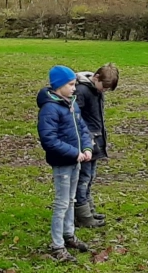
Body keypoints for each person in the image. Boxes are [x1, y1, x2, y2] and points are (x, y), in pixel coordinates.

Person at [36, 65, 93, 260]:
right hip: (63, 163)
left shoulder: (72, 103)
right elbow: (48, 140)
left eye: (75, 84)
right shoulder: (50, 109)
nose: (74, 88)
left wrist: (86, 148)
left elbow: (83, 129)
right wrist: (73, 153)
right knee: (61, 203)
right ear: (59, 85)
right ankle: (57, 245)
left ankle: (69, 234)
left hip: (76, 160)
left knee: (71, 200)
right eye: (70, 84)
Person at [75, 63, 121, 225]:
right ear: (95, 78)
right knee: (84, 178)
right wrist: (85, 138)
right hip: (86, 142)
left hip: (96, 140)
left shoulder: (96, 90)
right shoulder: (82, 91)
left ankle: (89, 209)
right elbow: (76, 117)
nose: (104, 91)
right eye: (104, 87)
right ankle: (82, 214)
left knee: (90, 176)